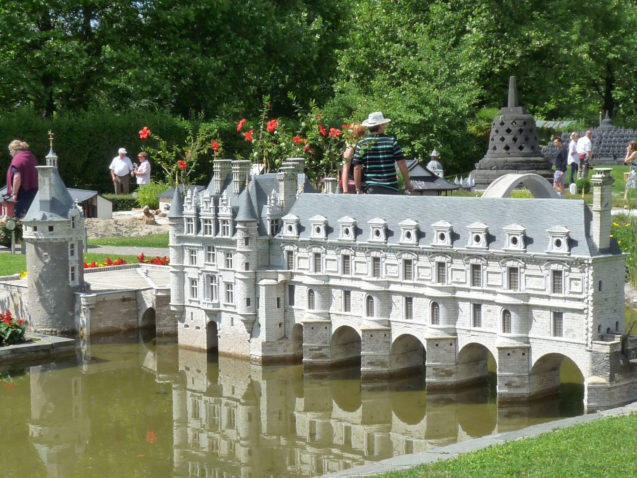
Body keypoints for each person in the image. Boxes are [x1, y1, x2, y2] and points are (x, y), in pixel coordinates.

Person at [352, 112, 413, 195]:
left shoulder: (362, 143)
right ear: (381, 126)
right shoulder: (391, 141)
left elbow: (357, 168)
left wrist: (358, 189)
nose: (385, 126)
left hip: (371, 189)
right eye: (384, 124)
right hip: (390, 188)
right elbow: (401, 164)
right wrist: (408, 184)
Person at [6, 139, 38, 218]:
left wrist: (14, 194)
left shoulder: (18, 159)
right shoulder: (31, 157)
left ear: (14, 150)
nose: (10, 154)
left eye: (10, 151)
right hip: (34, 191)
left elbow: (17, 178)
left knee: (20, 218)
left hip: (22, 193)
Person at [341, 123, 366, 193]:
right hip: (352, 185)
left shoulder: (360, 148)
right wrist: (345, 191)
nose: (365, 135)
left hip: (361, 184)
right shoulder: (350, 150)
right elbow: (345, 170)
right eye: (362, 132)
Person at [623, 141, 637, 208]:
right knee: (629, 187)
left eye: (629, 145)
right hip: (634, 169)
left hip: (634, 170)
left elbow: (626, 160)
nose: (628, 147)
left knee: (628, 187)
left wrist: (628, 152)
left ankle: (626, 203)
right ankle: (627, 203)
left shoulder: (635, 153)